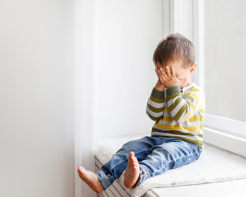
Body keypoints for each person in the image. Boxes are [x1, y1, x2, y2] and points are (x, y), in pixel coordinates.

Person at [77, 33, 205, 193]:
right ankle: (101, 178)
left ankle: (138, 175)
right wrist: (159, 87)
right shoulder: (164, 89)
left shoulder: (195, 92)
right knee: (131, 147)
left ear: (191, 69)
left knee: (164, 154)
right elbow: (153, 113)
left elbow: (180, 115)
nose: (169, 80)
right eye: (163, 75)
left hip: (186, 143)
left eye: (175, 76)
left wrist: (172, 88)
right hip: (158, 137)